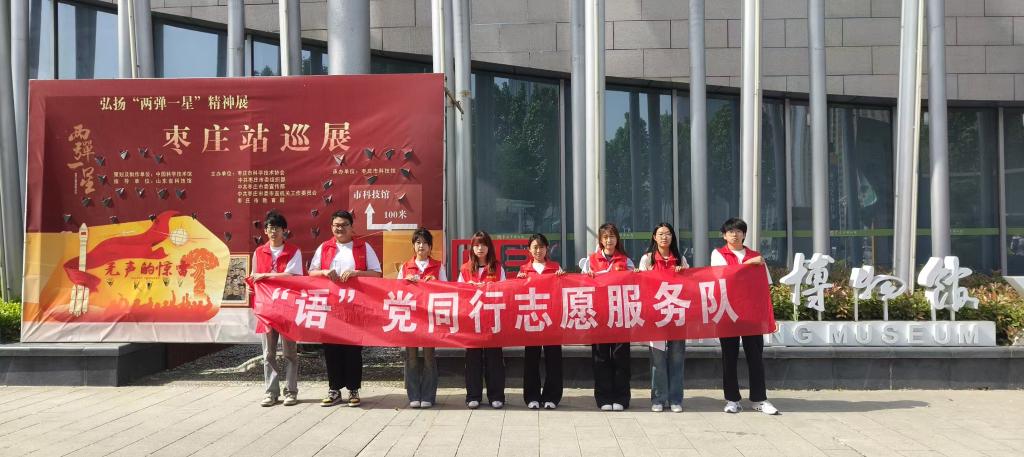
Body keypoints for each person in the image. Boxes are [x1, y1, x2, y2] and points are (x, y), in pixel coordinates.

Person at [309, 210, 383, 407]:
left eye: (344, 225)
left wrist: (356, 273)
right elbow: (311, 273)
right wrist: (324, 272)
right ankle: (334, 390)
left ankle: (353, 389)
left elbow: (377, 274)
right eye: (336, 225)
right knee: (331, 349)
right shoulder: (325, 247)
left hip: (354, 307)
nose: (340, 228)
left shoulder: (363, 247)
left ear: (352, 227)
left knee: (352, 349)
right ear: (331, 227)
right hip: (330, 307)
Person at [710, 217, 780, 415]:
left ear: (744, 234)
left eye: (739, 231)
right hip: (728, 312)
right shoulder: (718, 254)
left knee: (755, 356)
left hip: (751, 313)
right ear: (724, 235)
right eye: (730, 231)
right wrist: (749, 264)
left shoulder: (756, 255)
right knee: (729, 357)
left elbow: (765, 285)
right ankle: (732, 399)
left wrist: (768, 314)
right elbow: (722, 275)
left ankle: (759, 399)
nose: (735, 234)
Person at [250, 211, 304, 407]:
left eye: (277, 228)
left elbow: (292, 276)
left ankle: (291, 391)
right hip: (266, 308)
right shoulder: (259, 252)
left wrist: (265, 276)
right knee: (268, 353)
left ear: (284, 231)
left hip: (287, 307)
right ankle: (271, 393)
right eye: (270, 228)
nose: (274, 231)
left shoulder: (293, 251)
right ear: (265, 231)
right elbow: (254, 277)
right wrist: (254, 283)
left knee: (290, 353)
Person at [579, 222, 634, 411]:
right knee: (601, 358)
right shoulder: (590, 261)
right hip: (599, 315)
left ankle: (621, 398)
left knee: (621, 357)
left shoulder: (626, 261)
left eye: (612, 236)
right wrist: (587, 277)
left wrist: (635, 275)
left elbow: (635, 284)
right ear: (600, 240)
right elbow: (580, 286)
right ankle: (603, 398)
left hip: (620, 315)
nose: (609, 240)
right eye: (605, 237)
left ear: (617, 239)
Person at [637, 222, 689, 413]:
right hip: (656, 315)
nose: (664, 237)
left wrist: (683, 274)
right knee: (657, 360)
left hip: (677, 314)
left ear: (672, 237)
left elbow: (690, 285)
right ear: (654, 237)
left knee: (677, 358)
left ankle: (675, 399)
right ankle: (659, 398)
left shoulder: (680, 259)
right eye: (660, 234)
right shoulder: (647, 259)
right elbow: (640, 285)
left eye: (667, 234)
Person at [396, 227, 445, 409]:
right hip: (411, 317)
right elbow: (396, 291)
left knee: (429, 357)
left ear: (430, 247)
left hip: (430, 318)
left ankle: (429, 396)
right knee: (411, 357)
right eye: (418, 242)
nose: (421, 246)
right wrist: (406, 282)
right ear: (413, 245)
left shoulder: (438, 266)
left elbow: (447, 290)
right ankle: (414, 395)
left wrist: (436, 283)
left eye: (425, 243)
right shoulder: (406, 266)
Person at [515, 233, 565, 410]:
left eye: (542, 247)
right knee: (531, 360)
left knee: (554, 359)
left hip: (552, 320)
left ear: (547, 249)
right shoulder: (524, 270)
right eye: (535, 247)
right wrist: (518, 282)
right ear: (529, 250)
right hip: (532, 320)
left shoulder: (555, 267)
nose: (538, 250)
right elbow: (516, 293)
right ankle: (532, 396)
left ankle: (552, 396)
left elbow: (564, 291)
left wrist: (563, 278)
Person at [457, 231, 506, 409]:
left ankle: (496, 396)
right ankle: (473, 395)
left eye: (483, 244)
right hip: (471, 320)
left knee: (494, 358)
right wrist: (468, 288)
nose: (480, 248)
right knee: (473, 359)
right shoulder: (465, 269)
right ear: (472, 248)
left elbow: (506, 291)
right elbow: (458, 293)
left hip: (492, 319)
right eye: (476, 245)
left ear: (489, 247)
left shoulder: (498, 268)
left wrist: (491, 287)